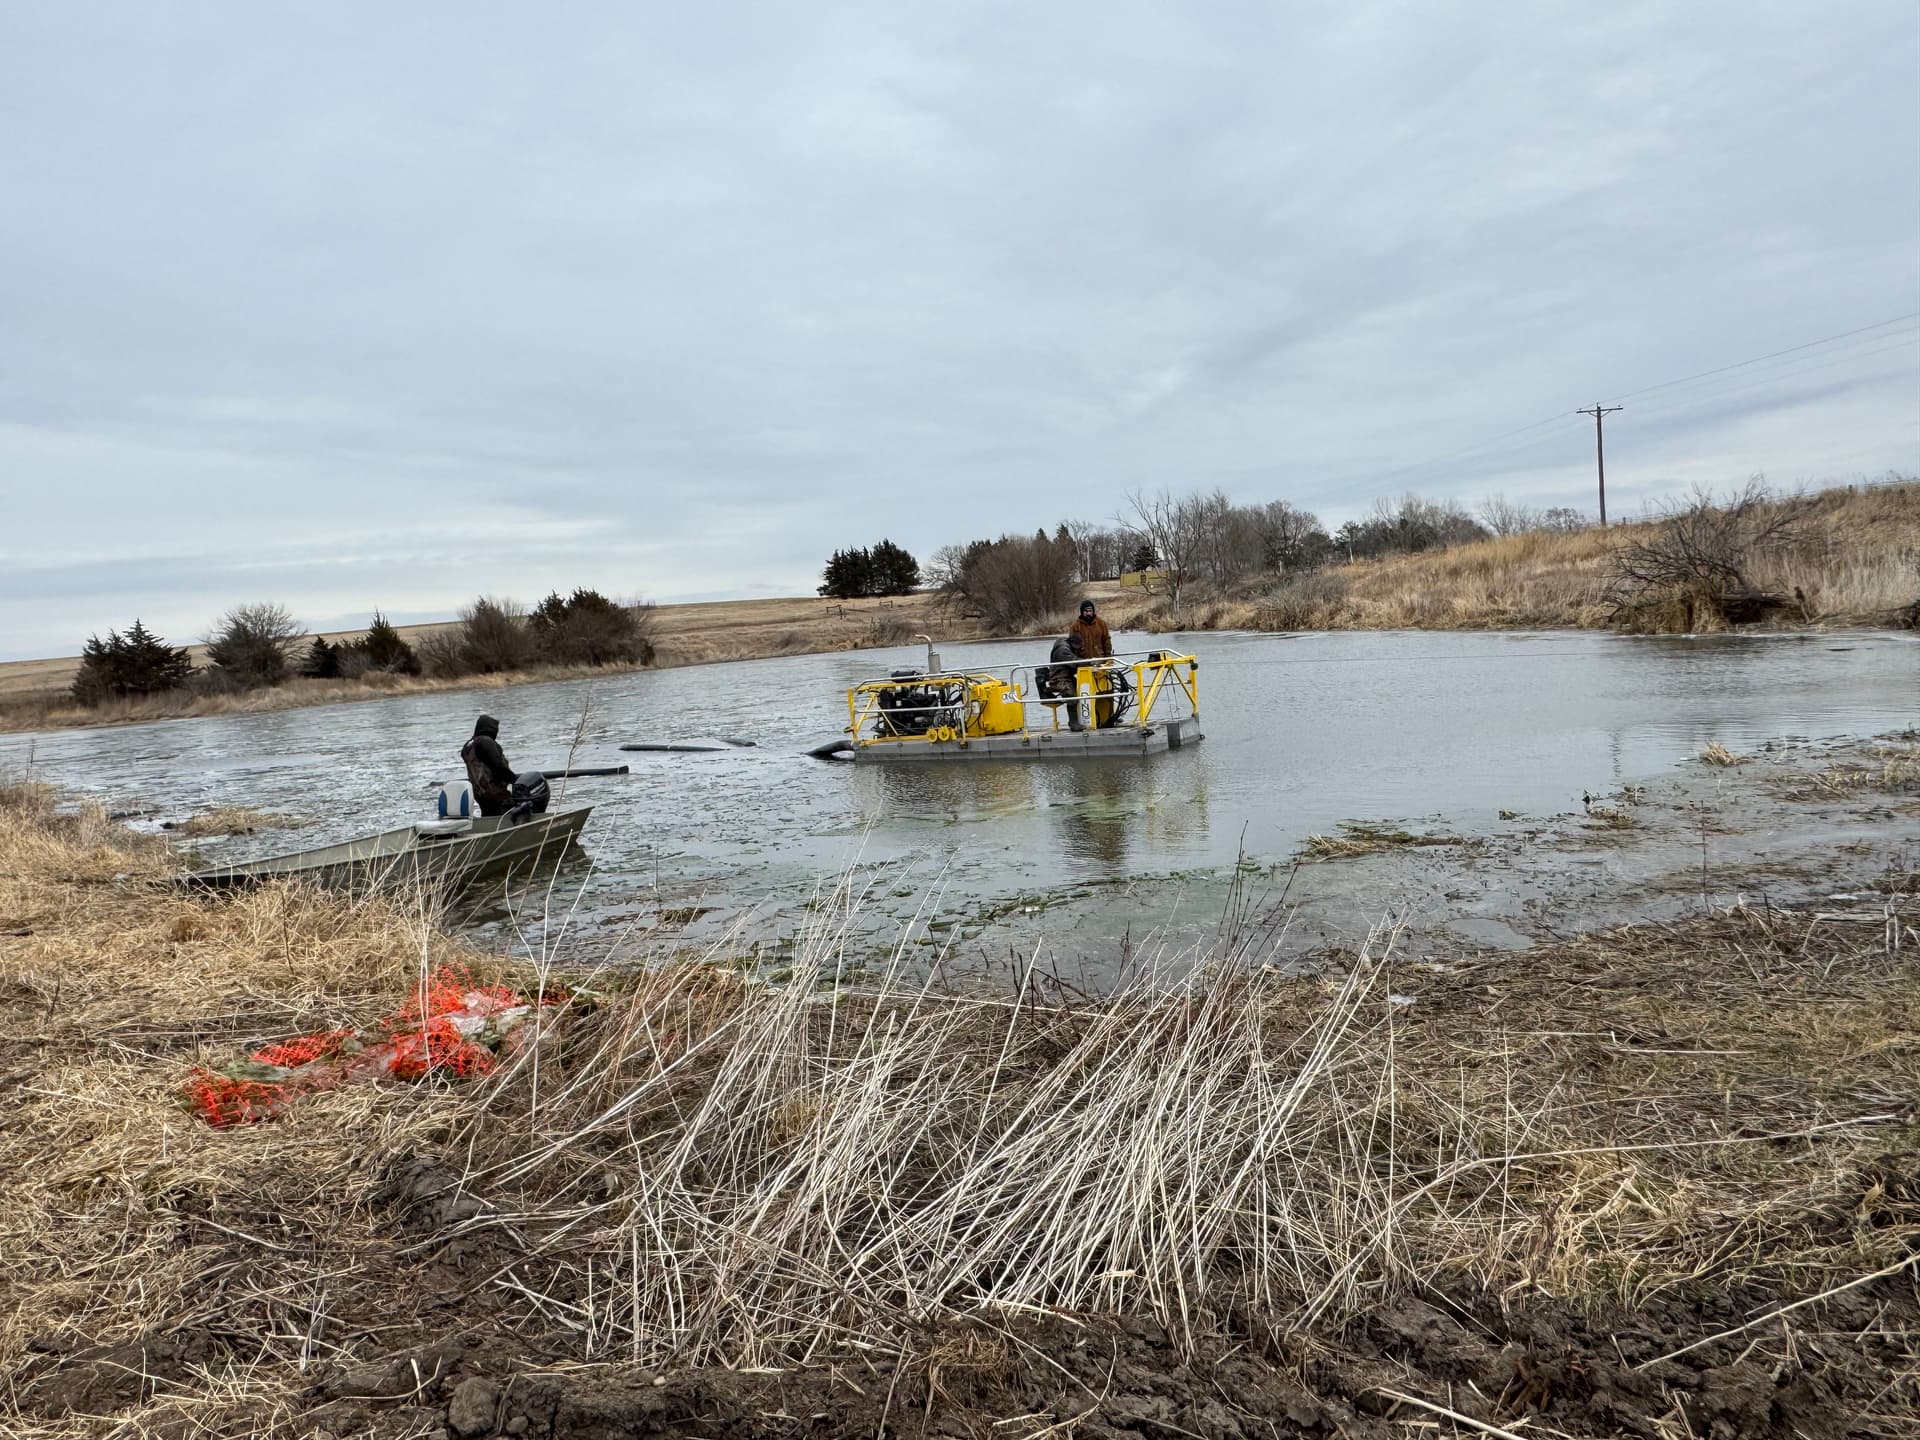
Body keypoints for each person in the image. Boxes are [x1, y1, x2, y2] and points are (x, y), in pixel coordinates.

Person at [461, 714, 517, 817]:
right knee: (511, 813)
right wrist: (515, 780)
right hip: (496, 792)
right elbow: (498, 766)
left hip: (479, 793)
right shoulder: (486, 741)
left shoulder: (468, 745)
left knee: (489, 816)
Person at [1044, 632, 1086, 731]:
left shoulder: (1066, 645)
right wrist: (1091, 662)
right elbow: (1074, 662)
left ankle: (1080, 719)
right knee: (1071, 695)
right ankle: (1073, 724)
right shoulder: (1063, 650)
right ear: (1072, 643)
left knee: (1081, 688)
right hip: (1058, 679)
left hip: (1067, 677)